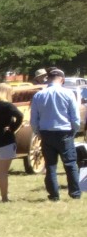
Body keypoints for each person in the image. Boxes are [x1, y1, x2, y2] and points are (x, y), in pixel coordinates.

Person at [30, 68, 81, 201]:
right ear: (62, 80)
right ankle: (75, 193)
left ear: (48, 79)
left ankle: (54, 195)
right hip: (65, 132)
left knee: (50, 165)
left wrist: (38, 133)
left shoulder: (38, 95)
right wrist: (74, 131)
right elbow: (75, 118)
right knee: (70, 164)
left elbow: (34, 119)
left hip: (46, 133)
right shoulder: (68, 93)